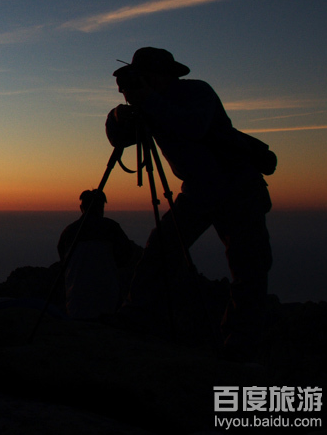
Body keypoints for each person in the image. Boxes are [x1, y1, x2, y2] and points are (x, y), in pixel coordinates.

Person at [105, 47, 274, 359]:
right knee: (162, 247)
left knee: (247, 265)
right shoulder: (149, 102)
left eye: (146, 76)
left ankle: (242, 342)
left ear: (165, 75)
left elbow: (193, 126)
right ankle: (136, 313)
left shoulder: (197, 92)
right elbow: (122, 138)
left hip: (238, 187)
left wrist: (147, 100)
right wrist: (118, 115)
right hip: (199, 189)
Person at [57, 190, 134, 320]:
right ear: (101, 208)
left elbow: (63, 259)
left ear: (82, 208)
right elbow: (125, 257)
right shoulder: (111, 228)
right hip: (107, 297)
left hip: (76, 299)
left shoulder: (70, 231)